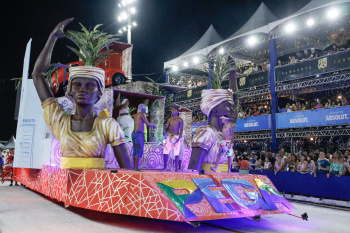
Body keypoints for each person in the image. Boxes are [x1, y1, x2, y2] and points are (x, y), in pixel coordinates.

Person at [31, 19, 132, 170]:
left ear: (99, 93)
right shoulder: (60, 121)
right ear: (70, 90)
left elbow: (128, 171)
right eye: (77, 84)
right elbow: (37, 74)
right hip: (65, 192)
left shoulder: (108, 125)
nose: (82, 89)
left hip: (97, 191)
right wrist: (52, 37)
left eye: (90, 85)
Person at [189, 89, 235, 171]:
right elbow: (194, 166)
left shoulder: (224, 136)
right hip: (208, 181)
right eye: (228, 105)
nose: (232, 110)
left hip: (225, 181)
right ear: (214, 108)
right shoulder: (206, 132)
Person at [132, 104, 156, 171]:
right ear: (142, 109)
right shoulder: (141, 114)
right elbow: (147, 124)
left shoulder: (136, 115)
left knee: (135, 149)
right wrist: (153, 125)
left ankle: (134, 167)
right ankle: (136, 167)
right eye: (145, 108)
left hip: (134, 133)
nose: (145, 110)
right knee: (138, 150)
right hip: (138, 134)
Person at [162, 106, 184, 172]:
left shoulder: (180, 120)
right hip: (169, 136)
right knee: (165, 152)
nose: (173, 111)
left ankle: (176, 168)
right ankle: (165, 167)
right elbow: (167, 127)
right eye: (172, 110)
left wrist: (179, 138)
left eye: (174, 110)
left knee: (176, 153)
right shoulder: (169, 119)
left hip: (176, 137)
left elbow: (181, 130)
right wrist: (164, 130)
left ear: (177, 112)